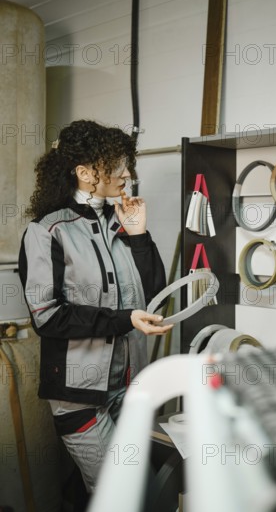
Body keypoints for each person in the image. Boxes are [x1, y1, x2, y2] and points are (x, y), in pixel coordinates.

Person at [18, 119, 173, 495]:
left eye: (127, 164)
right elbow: (48, 316)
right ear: (85, 173)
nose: (127, 174)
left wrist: (139, 236)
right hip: (80, 398)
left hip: (128, 389)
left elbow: (158, 295)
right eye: (116, 165)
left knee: (144, 493)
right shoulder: (47, 232)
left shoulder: (121, 223)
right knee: (118, 496)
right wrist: (124, 320)